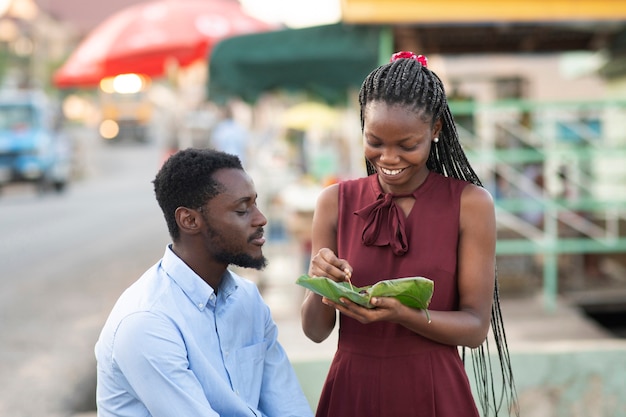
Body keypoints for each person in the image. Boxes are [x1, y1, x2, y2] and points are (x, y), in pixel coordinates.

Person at [301, 52, 517, 417]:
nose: (388, 158)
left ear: (435, 131)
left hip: (434, 388)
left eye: (406, 145)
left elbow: (476, 327)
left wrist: (404, 314)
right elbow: (315, 332)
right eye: (375, 142)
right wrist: (321, 283)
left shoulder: (470, 204)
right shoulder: (333, 202)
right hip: (354, 388)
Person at [95, 148, 313, 417]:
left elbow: (290, 407)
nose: (260, 218)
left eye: (255, 204)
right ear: (189, 220)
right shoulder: (146, 321)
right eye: (242, 209)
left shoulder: (247, 300)